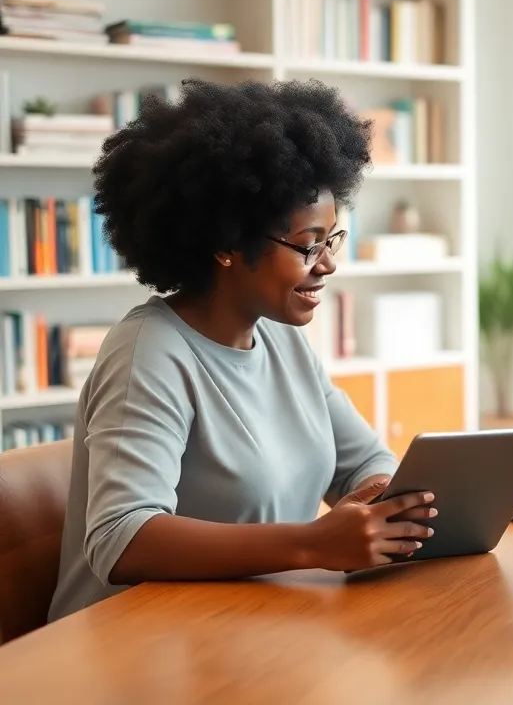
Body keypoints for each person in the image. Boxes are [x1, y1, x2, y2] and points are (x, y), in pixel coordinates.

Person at [48, 79, 436, 622]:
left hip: (252, 627)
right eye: (307, 245)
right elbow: (121, 537)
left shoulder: (283, 340)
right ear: (228, 245)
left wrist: (378, 501)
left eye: (332, 240)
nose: (326, 264)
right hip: (131, 648)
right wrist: (313, 544)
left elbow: (366, 463)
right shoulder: (150, 353)